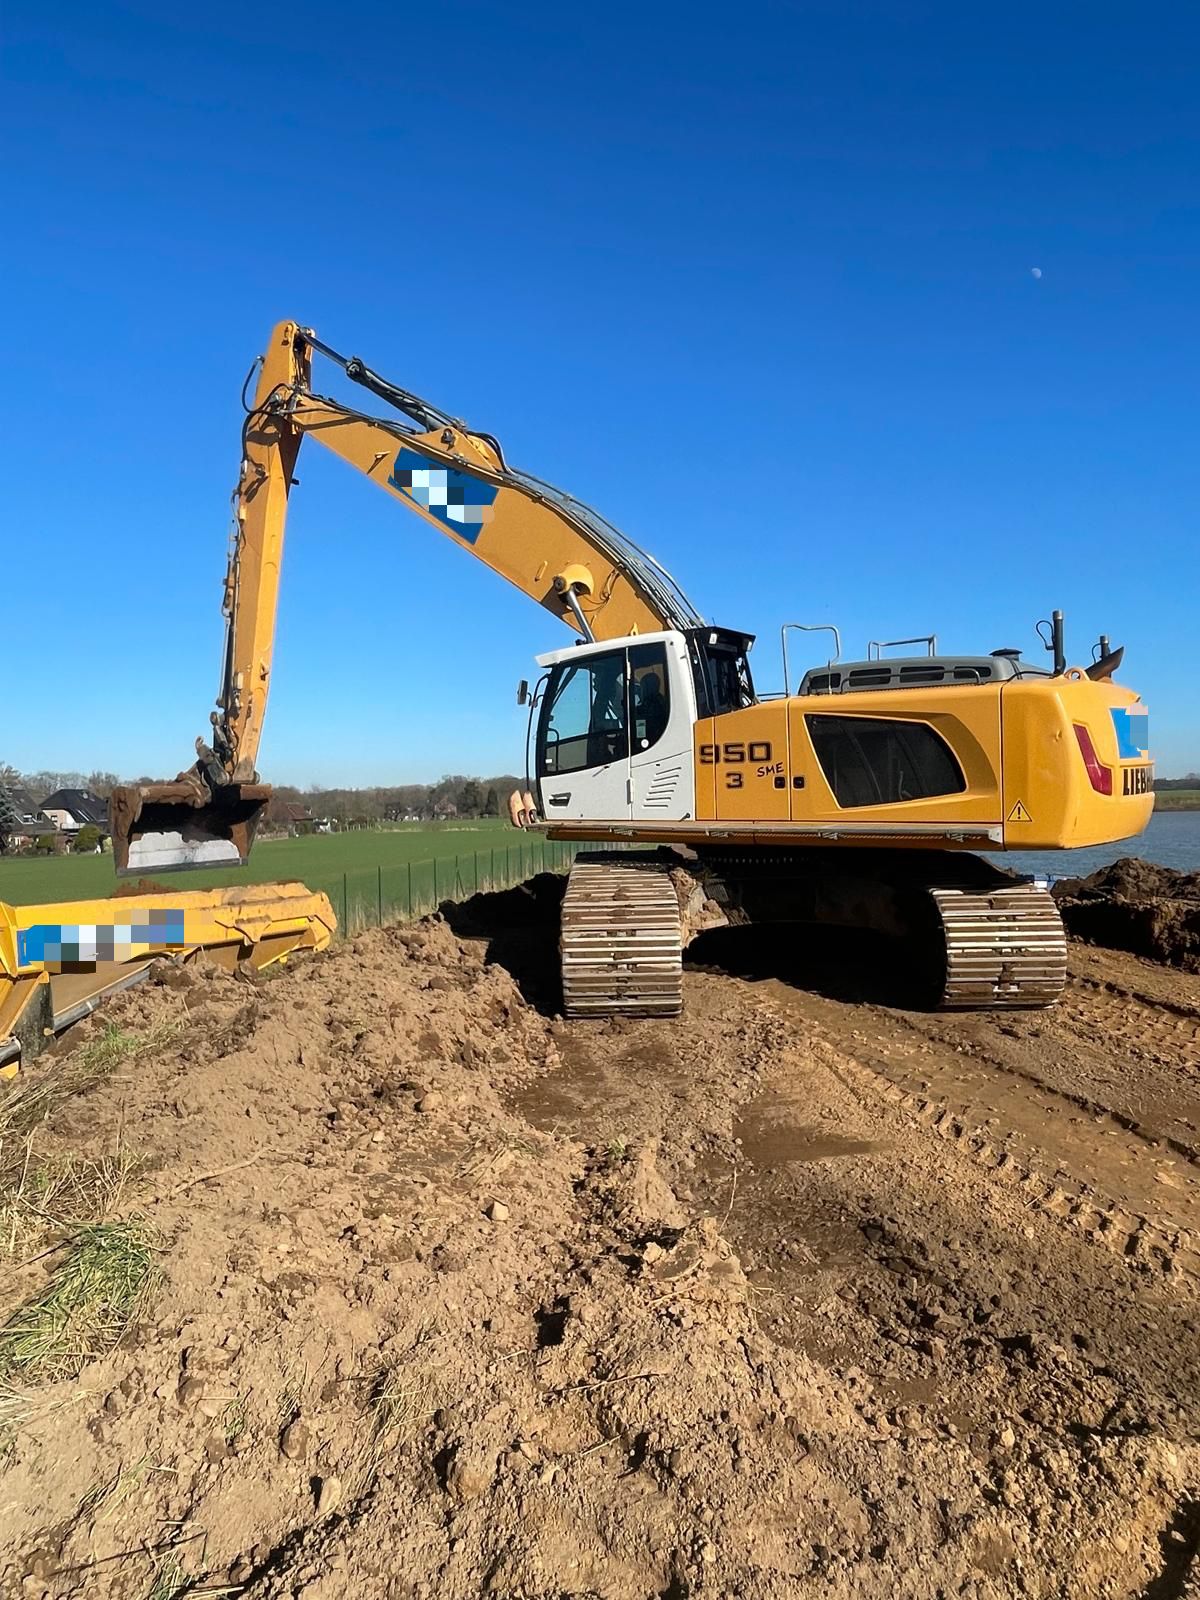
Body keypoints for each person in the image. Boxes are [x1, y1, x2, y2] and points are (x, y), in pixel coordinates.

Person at [637, 671, 668, 745]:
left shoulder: (654, 705)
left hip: (650, 741)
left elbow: (641, 724)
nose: (639, 691)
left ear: (648, 688)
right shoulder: (661, 701)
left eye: (642, 687)